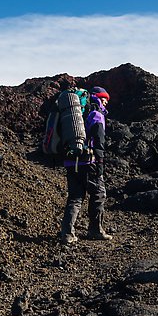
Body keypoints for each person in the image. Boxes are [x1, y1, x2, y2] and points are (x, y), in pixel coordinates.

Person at [60, 86, 113, 244]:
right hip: (88, 162)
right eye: (104, 99)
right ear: (98, 98)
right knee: (98, 194)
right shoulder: (96, 114)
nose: (106, 103)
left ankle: (67, 234)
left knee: (75, 197)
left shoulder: (75, 115)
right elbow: (99, 141)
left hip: (71, 161)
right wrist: (100, 164)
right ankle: (95, 230)